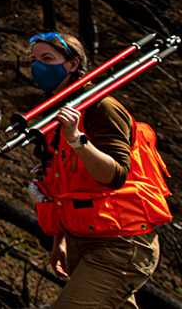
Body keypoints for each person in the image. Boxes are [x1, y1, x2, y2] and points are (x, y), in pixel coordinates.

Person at [26, 31, 172, 309]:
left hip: (121, 244)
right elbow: (59, 183)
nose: (38, 66)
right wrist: (60, 239)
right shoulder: (53, 113)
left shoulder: (101, 108)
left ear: (72, 64)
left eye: (47, 58)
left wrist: (77, 140)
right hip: (83, 238)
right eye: (33, 60)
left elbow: (114, 175)